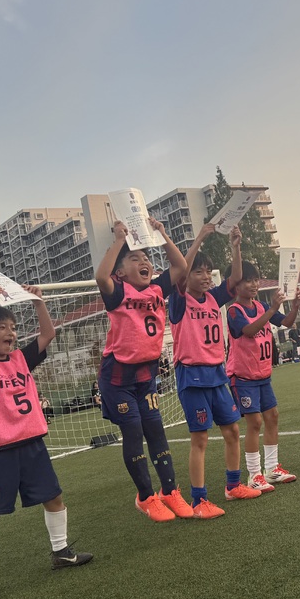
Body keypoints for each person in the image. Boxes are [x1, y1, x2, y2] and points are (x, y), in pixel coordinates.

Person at [0, 283, 92, 599]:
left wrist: (38, 302)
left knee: (54, 497)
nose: (10, 332)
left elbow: (48, 334)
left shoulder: (21, 359)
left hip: (32, 445)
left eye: (13, 327)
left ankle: (61, 552)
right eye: (1, 327)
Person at [95, 218, 194, 523]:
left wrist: (162, 234)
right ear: (121, 272)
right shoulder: (117, 292)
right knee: (134, 431)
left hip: (146, 374)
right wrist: (118, 240)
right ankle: (145, 496)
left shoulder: (156, 289)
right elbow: (100, 276)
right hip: (117, 377)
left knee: (155, 429)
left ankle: (170, 491)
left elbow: (180, 267)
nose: (144, 262)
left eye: (146, 258)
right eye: (135, 258)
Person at [170, 223, 259, 517]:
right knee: (200, 438)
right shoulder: (179, 300)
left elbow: (235, 277)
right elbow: (179, 271)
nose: (206, 276)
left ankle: (233, 486)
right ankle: (198, 501)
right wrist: (200, 237)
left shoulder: (213, 298)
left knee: (232, 430)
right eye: (199, 272)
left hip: (217, 374)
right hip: (192, 376)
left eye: (208, 271)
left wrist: (235, 246)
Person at [225, 260, 300, 490]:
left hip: (262, 375)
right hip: (243, 376)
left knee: (272, 416)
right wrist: (272, 309)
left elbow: (286, 322)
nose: (254, 284)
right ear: (235, 285)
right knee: (255, 422)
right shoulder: (234, 311)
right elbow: (248, 331)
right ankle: (254, 474)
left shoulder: (260, 306)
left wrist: (295, 307)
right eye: (248, 280)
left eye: (256, 280)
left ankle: (272, 469)